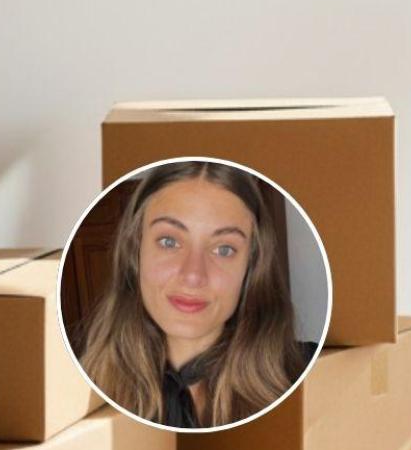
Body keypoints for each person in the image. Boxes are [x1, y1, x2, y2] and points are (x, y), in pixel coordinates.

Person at [77, 159, 319, 429]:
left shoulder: (314, 373)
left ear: (250, 267)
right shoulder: (78, 394)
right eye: (169, 242)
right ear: (136, 252)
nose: (193, 275)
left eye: (224, 249)